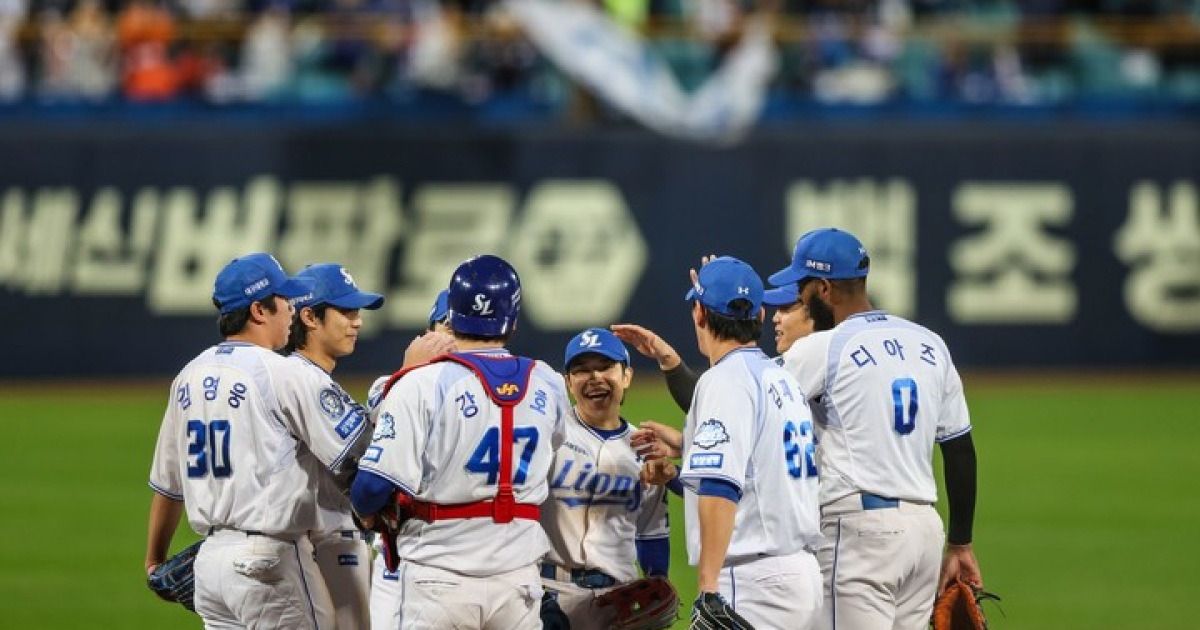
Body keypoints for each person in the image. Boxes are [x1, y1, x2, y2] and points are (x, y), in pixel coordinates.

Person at [769, 227, 982, 630]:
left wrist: (675, 362)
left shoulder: (824, 347)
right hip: (924, 533)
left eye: (803, 286)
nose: (799, 294)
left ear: (824, 288)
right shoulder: (930, 343)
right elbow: (959, 448)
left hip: (860, 536)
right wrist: (961, 541)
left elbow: (743, 399)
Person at [145, 252, 371, 629]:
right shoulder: (280, 372)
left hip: (212, 568)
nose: (291, 311)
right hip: (268, 562)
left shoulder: (188, 375)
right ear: (258, 310)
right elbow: (357, 454)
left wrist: (154, 560)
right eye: (284, 302)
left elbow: (169, 487)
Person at [350, 254, 570, 630]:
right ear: (514, 319)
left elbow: (371, 487)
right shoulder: (547, 381)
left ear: (451, 316)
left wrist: (365, 510)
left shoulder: (420, 383)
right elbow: (555, 446)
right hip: (516, 583)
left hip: (438, 582)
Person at [674, 255, 823, 629]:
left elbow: (720, 486)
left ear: (699, 315)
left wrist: (708, 590)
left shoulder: (724, 380)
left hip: (753, 583)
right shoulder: (781, 376)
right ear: (758, 317)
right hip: (802, 576)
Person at [539, 327, 671, 630]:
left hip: (619, 601)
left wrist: (656, 590)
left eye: (604, 367)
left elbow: (652, 533)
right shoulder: (548, 435)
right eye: (582, 370)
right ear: (568, 382)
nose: (594, 377)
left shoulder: (645, 448)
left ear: (626, 376)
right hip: (548, 591)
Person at [282, 262, 385, 630]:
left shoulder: (295, 376)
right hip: (323, 546)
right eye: (346, 311)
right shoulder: (306, 381)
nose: (356, 322)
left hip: (306, 546)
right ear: (309, 317)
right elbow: (366, 466)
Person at [364, 288, 457, 629]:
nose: (451, 338)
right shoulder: (387, 385)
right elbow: (377, 416)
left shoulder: (489, 394)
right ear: (427, 333)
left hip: (463, 553)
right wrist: (408, 372)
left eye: (459, 328)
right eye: (444, 326)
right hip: (398, 556)